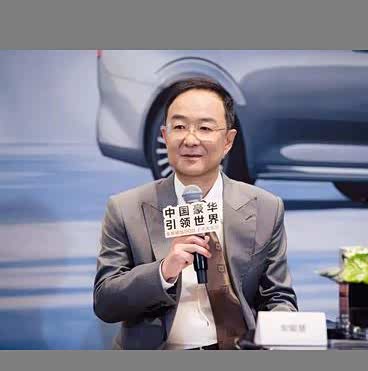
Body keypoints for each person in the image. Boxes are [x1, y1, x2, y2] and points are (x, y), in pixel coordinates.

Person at [94, 77, 298, 350]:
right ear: (165, 135)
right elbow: (106, 302)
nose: (190, 139)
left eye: (205, 128)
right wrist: (164, 271)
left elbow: (278, 297)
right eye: (179, 127)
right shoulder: (125, 208)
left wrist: (280, 337)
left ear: (228, 141)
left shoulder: (265, 207)